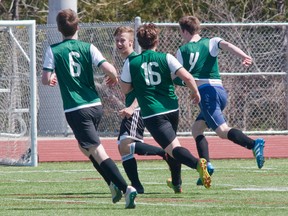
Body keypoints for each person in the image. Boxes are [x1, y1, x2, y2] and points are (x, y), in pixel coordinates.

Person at [41, 9, 137, 209]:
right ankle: (112, 184)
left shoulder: (53, 50)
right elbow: (110, 69)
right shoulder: (88, 47)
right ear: (78, 27)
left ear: (59, 29)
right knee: (85, 148)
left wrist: (51, 80)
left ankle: (125, 187)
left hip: (76, 108)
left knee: (96, 150)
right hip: (95, 105)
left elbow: (45, 79)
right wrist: (112, 77)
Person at [174, 15, 265, 185]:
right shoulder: (212, 41)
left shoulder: (182, 51)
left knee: (222, 131)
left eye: (181, 32)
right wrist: (244, 56)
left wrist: (172, 81)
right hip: (219, 91)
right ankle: (206, 167)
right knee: (197, 130)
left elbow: (179, 75)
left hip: (206, 94)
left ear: (184, 31)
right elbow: (228, 45)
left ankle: (254, 144)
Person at [120, 23, 212, 190]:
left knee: (173, 148)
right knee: (172, 147)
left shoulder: (131, 62)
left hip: (152, 113)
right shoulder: (167, 57)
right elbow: (188, 78)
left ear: (139, 43)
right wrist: (195, 93)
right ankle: (176, 183)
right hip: (172, 108)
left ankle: (198, 164)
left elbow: (126, 89)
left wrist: (139, 84)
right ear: (157, 40)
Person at [113, 26, 182, 194]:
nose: (119, 44)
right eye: (117, 41)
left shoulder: (135, 60)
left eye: (123, 40)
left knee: (125, 144)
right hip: (139, 108)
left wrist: (132, 106)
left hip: (138, 109)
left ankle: (162, 154)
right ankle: (138, 184)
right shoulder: (129, 61)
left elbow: (144, 89)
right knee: (123, 146)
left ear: (131, 42)